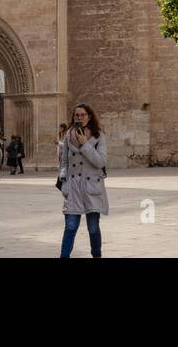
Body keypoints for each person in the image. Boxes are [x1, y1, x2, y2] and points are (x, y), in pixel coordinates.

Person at [58, 103, 108, 257]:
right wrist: (64, 178)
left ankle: (96, 255)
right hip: (73, 187)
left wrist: (85, 144)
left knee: (93, 228)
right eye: (76, 115)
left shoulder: (98, 136)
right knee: (70, 226)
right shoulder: (68, 135)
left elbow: (100, 162)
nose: (79, 118)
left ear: (89, 116)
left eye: (82, 115)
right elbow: (64, 162)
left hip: (91, 186)